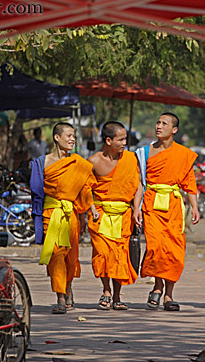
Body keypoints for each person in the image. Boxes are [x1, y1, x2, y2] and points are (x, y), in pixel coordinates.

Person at [133, 112, 200, 311]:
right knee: (156, 247)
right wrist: (136, 207)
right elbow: (139, 182)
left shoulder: (184, 154)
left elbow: (190, 183)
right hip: (151, 203)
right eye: (158, 122)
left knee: (174, 250)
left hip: (173, 205)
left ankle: (168, 294)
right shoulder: (144, 153)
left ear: (174, 129)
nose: (159, 126)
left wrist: (194, 207)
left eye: (164, 123)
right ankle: (158, 285)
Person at [30, 122, 98, 314]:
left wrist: (91, 209)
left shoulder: (78, 163)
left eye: (73, 136)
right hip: (51, 214)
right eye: (68, 135)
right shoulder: (42, 163)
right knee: (56, 256)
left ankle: (68, 288)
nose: (72, 139)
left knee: (70, 257)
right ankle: (60, 296)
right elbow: (36, 192)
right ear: (56, 138)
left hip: (71, 216)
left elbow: (85, 188)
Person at [87, 122, 140, 310]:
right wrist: (91, 208)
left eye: (126, 139)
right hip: (100, 215)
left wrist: (136, 209)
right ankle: (106, 291)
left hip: (123, 214)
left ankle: (117, 296)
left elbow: (138, 185)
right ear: (108, 140)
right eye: (121, 139)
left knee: (120, 256)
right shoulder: (93, 161)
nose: (125, 142)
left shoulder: (131, 159)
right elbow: (85, 189)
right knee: (102, 254)